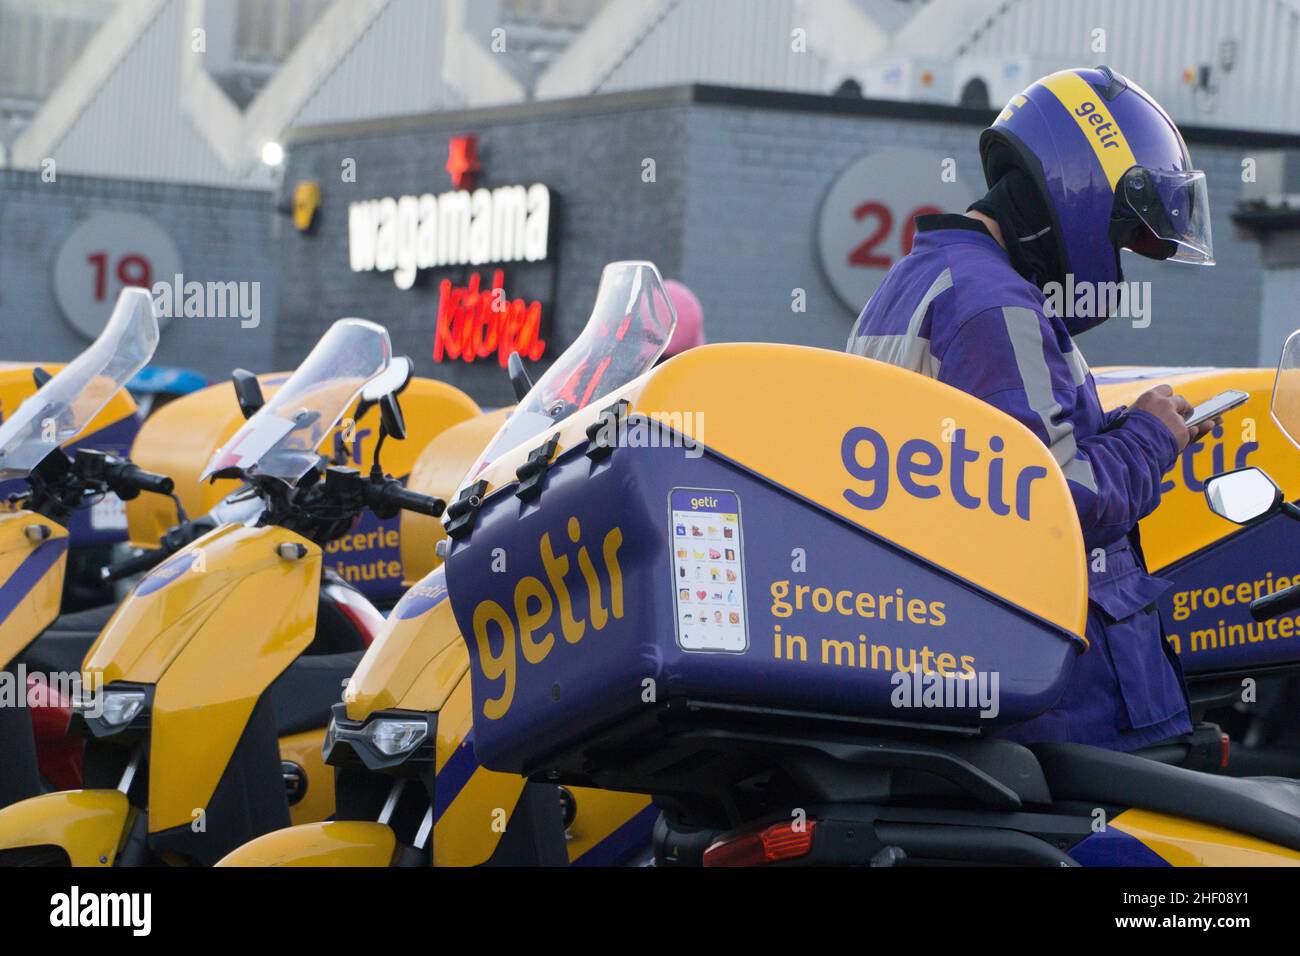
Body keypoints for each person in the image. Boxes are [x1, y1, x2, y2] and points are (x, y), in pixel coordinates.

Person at [846, 66, 1217, 752]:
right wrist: (1153, 437)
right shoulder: (994, 306)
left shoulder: (919, 278)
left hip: (984, 670)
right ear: (1082, 193)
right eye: (1127, 234)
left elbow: (982, 469)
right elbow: (1053, 499)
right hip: (1068, 707)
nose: (1123, 258)